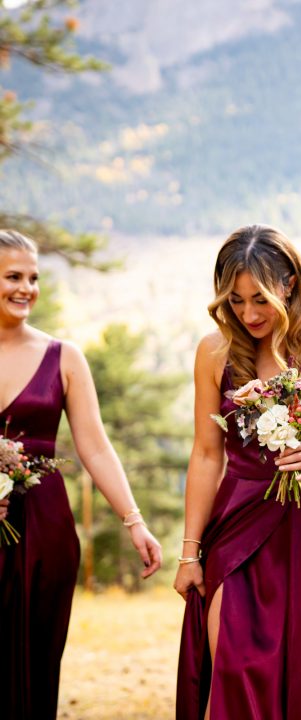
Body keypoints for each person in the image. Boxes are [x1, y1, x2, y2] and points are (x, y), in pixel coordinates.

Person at [173, 225, 301, 720]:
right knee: (236, 667)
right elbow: (205, 454)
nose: (249, 314)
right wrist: (189, 552)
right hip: (237, 524)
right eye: (236, 301)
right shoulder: (215, 351)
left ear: (288, 284)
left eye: (259, 298)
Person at [0, 229, 163, 720]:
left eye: (33, 277)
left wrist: (134, 521)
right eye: (13, 276)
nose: (26, 288)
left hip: (45, 529)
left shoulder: (64, 357)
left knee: (37, 664)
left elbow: (94, 446)